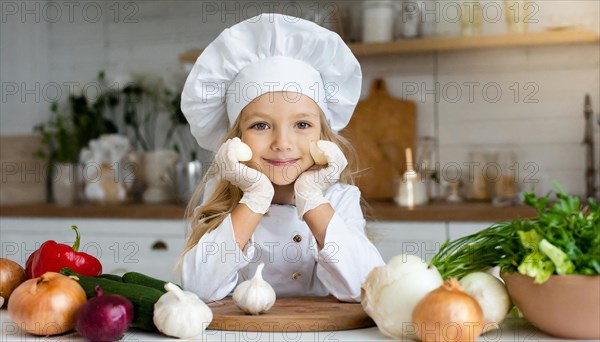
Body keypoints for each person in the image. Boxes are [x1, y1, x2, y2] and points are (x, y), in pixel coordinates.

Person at [179, 13, 384, 303]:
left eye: (302, 125)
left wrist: (312, 197)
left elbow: (367, 287)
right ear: (234, 140)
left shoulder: (340, 200)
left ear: (324, 137)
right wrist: (254, 197)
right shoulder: (222, 201)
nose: (283, 144)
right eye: (260, 126)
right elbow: (198, 289)